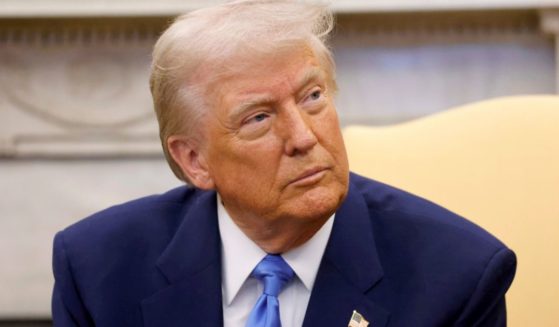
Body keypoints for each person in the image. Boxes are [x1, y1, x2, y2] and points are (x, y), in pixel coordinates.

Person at [51, 1, 516, 326]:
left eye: (312, 97)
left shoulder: (457, 275)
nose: (303, 136)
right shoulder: (98, 270)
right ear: (194, 160)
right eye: (258, 118)